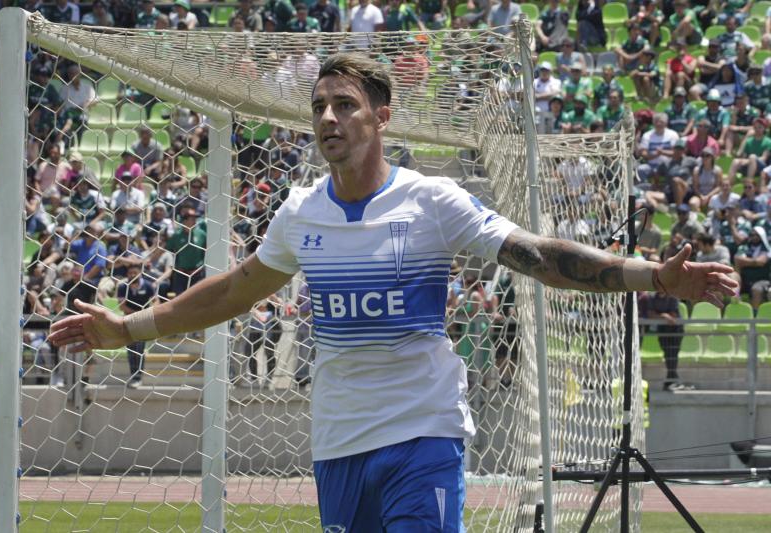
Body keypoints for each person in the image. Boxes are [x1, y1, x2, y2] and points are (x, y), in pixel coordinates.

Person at [49, 53, 739, 532]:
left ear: (382, 116)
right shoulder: (300, 212)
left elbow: (537, 254)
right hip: (338, 442)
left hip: (422, 434)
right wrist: (130, 328)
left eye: (344, 105)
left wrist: (648, 275)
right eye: (319, 105)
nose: (327, 117)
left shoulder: (433, 202)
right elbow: (236, 290)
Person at [118, 264, 156, 388]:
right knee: (131, 349)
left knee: (139, 349)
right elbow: (122, 306)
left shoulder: (148, 286)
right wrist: (136, 314)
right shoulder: (123, 287)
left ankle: (138, 376)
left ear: (140, 273)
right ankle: (133, 375)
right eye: (130, 273)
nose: (132, 275)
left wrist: (147, 314)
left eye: (135, 272)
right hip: (129, 320)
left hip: (144, 321)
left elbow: (156, 301)